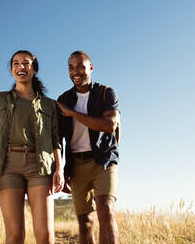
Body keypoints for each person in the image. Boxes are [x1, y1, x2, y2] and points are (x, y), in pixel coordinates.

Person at [0, 50, 64, 244]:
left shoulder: (49, 105)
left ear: (34, 69)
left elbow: (56, 140)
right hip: (6, 166)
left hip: (40, 166)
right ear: (12, 70)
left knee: (45, 235)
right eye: (16, 63)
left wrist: (59, 169)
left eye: (26, 63)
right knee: (15, 235)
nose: (21, 67)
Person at [57, 51, 120, 244]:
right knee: (85, 222)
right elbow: (57, 139)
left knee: (106, 208)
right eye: (71, 67)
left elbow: (109, 125)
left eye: (80, 66)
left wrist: (72, 114)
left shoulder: (105, 92)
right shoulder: (64, 99)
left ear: (90, 67)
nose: (76, 71)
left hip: (103, 160)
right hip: (76, 164)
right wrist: (60, 169)